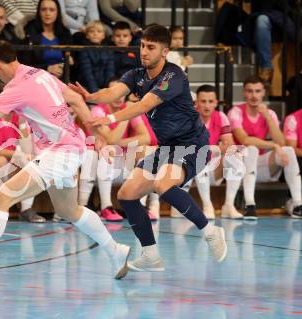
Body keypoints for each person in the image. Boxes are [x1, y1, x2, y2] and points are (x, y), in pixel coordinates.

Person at [0, 40, 130, 283]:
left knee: (1, 197)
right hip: (71, 148)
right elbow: (77, 100)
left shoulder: (15, 89)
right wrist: (95, 134)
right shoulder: (41, 74)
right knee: (68, 210)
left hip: (61, 152)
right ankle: (116, 252)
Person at [70, 23, 227, 272]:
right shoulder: (136, 75)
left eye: (151, 47)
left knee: (163, 185)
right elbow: (113, 92)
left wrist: (110, 119)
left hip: (193, 145)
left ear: (164, 51)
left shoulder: (174, 76)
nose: (144, 51)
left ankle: (210, 231)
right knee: (127, 195)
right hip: (167, 147)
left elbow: (145, 104)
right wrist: (89, 97)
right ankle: (151, 255)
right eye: (142, 45)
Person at [79, 76, 156, 222]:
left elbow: (145, 137)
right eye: (114, 93)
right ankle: (106, 207)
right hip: (97, 166)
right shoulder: (97, 111)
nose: (119, 98)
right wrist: (126, 116)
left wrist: (119, 142)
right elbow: (111, 140)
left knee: (147, 151)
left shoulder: (126, 108)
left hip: (120, 164)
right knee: (108, 150)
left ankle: (139, 206)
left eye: (122, 94)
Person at [228, 75, 302, 220]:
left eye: (257, 91)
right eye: (250, 91)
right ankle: (250, 204)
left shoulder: (270, 114)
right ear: (244, 92)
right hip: (238, 167)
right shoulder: (235, 112)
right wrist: (272, 145)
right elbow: (244, 140)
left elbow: (281, 143)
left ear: (263, 93)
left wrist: (267, 117)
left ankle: (298, 203)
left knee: (287, 150)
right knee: (251, 149)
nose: (254, 95)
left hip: (260, 167)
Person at [0, 113, 45, 222]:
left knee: (33, 162)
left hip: (12, 167)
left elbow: (27, 151)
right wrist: (17, 154)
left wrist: (22, 125)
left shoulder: (21, 120)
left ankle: (26, 209)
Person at [194, 84, 245, 219]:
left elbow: (230, 145)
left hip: (212, 169)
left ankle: (229, 205)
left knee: (235, 156)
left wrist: (216, 149)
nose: (207, 105)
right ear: (196, 103)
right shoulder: (189, 117)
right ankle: (207, 206)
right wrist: (216, 148)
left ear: (216, 103)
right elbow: (190, 149)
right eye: (203, 101)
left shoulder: (221, 116)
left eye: (211, 101)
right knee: (199, 156)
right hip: (189, 170)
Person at [25, 0, 72, 79]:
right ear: (38, 12)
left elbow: (73, 62)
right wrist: (47, 68)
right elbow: (25, 65)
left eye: (52, 10)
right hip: (37, 80)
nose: (47, 13)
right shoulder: (29, 32)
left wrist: (67, 63)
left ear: (58, 12)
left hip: (62, 80)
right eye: (43, 9)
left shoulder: (65, 33)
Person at [77, 21, 115, 93]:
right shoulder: (84, 50)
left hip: (104, 88)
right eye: (92, 31)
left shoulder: (108, 50)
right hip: (87, 87)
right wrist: (95, 91)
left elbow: (110, 71)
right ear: (87, 35)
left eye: (99, 31)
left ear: (103, 35)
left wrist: (107, 90)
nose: (95, 33)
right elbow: (87, 74)